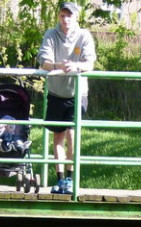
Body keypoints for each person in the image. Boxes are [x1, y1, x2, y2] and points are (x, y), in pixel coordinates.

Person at [38, 2, 96, 194]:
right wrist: (57, 66)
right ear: (58, 17)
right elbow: (44, 62)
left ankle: (71, 179)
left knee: (72, 134)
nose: (66, 20)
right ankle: (60, 180)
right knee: (58, 136)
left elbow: (89, 64)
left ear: (76, 17)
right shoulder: (50, 34)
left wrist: (76, 67)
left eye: (69, 16)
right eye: (63, 16)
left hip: (77, 94)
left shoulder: (84, 35)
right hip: (56, 93)